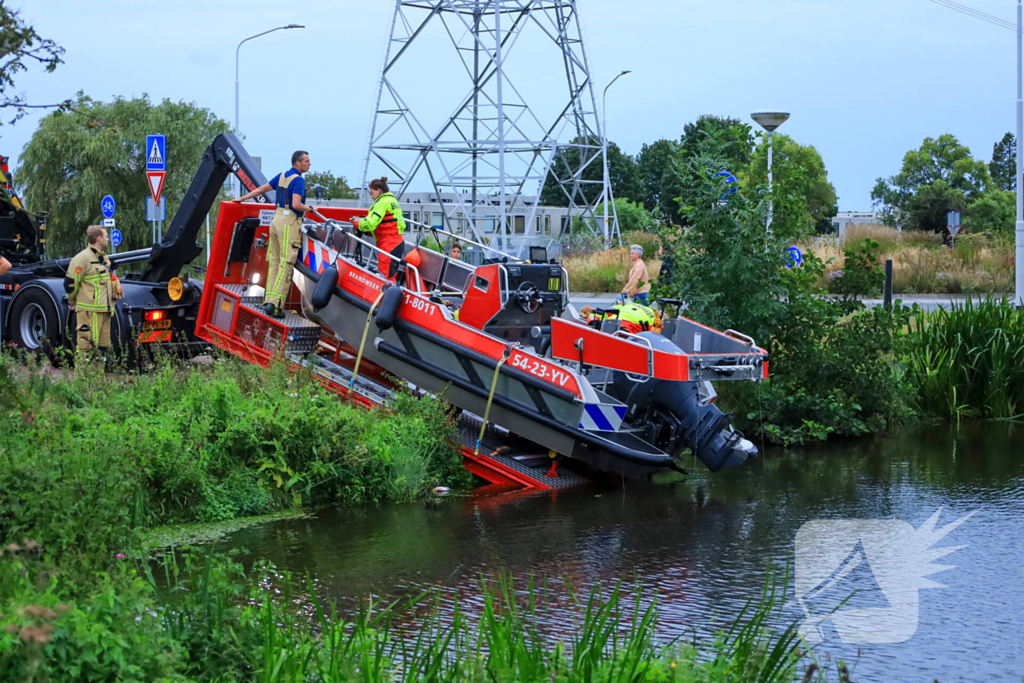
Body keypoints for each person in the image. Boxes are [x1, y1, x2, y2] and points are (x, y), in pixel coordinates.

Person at [237, 150, 314, 318]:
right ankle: (276, 304)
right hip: (289, 223)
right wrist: (310, 208)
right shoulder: (298, 180)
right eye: (307, 161)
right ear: (298, 163)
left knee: (274, 262)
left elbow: (261, 190)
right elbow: (296, 204)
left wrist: (242, 199)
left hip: (276, 220)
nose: (309, 164)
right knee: (286, 263)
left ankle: (268, 300)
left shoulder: (282, 176)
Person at [64, 226, 123, 358]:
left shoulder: (103, 257)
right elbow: (70, 283)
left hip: (105, 311)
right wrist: (72, 300)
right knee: (86, 348)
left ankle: (98, 372)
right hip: (89, 312)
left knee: (102, 350)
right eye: (106, 236)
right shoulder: (82, 258)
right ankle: (83, 372)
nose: (108, 239)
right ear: (99, 238)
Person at [352, 177, 406, 281]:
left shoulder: (381, 203)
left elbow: (369, 224)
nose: (372, 196)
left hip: (388, 245)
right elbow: (388, 224)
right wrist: (369, 232)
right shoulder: (393, 201)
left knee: (385, 278)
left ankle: (386, 291)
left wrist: (356, 221)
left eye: (372, 193)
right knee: (390, 275)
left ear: (379, 190)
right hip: (397, 243)